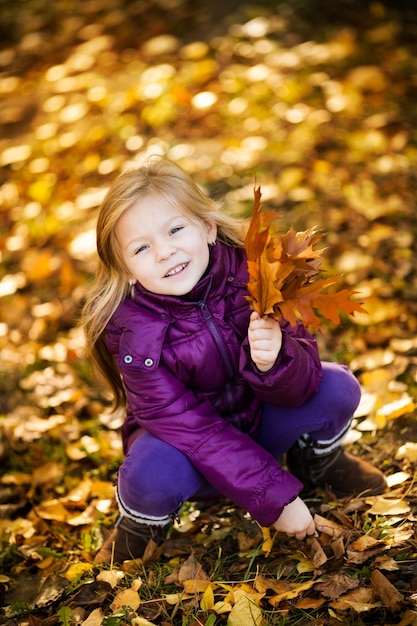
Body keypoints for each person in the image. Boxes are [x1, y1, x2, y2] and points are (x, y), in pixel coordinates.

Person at [81, 157, 386, 564]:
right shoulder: (133, 333)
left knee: (335, 387)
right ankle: (140, 526)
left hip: (263, 423)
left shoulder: (256, 274)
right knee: (148, 470)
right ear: (126, 270)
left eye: (175, 229)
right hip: (192, 458)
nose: (165, 251)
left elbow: (305, 376)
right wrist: (274, 498)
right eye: (141, 247)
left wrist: (275, 361)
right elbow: (191, 429)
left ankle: (318, 464)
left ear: (207, 228)